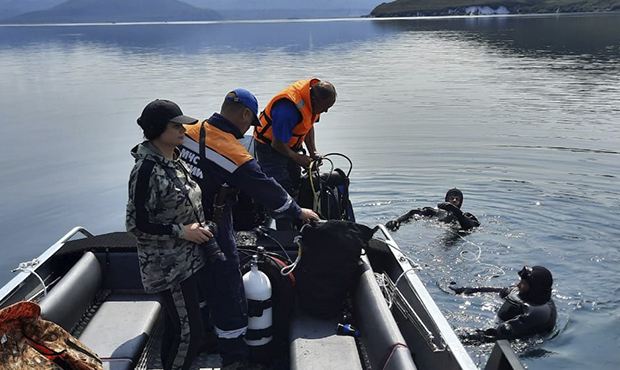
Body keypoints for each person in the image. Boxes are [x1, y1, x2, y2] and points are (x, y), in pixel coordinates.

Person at [179, 89, 319, 369]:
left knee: (194, 282)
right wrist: (297, 211)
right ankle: (234, 356)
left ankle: (201, 335)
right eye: (250, 123)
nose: (248, 130)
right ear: (244, 114)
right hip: (213, 224)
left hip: (181, 224)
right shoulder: (230, 150)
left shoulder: (185, 130)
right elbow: (265, 187)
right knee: (228, 286)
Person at [126, 99, 216, 370]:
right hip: (167, 267)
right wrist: (182, 232)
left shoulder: (175, 160)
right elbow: (136, 225)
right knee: (190, 333)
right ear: (157, 130)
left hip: (188, 261)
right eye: (176, 126)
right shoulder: (146, 170)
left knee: (178, 329)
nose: (183, 131)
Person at [253, 78, 337, 201]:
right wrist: (297, 157)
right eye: (325, 107)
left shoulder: (312, 102)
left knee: (296, 185)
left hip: (290, 147)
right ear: (314, 100)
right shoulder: (287, 110)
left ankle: (299, 215)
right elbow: (277, 144)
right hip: (269, 148)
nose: (326, 111)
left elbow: (308, 125)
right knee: (282, 192)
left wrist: (313, 151)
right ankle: (283, 216)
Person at [451, 266, 557, 342]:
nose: (518, 285)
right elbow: (499, 291)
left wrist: (465, 337)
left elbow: (502, 333)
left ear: (535, 288)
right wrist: (465, 290)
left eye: (523, 283)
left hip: (519, 339)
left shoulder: (538, 314)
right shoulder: (524, 292)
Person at [385, 188, 480, 231]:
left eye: (457, 199)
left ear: (461, 202)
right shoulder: (436, 212)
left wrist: (456, 212)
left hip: (458, 234)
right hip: (434, 232)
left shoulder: (467, 216)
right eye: (452, 198)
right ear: (447, 200)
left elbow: (472, 226)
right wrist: (397, 220)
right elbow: (413, 213)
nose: (454, 200)